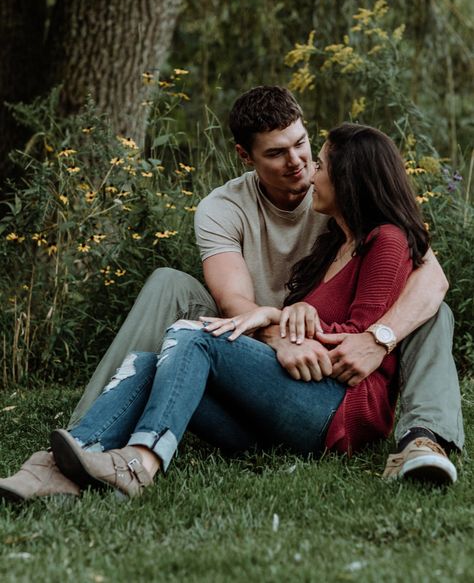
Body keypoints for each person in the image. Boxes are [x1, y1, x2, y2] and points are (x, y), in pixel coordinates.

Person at [0, 88, 462, 503]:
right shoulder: (237, 211)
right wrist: (277, 329)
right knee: (153, 354)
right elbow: (233, 303)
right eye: (278, 153)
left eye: (307, 148)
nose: (301, 164)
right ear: (246, 156)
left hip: (328, 393)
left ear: (349, 177)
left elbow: (429, 275)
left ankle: (424, 438)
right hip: (266, 356)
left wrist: (377, 338)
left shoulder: (372, 231)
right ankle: (64, 462)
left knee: (431, 311)